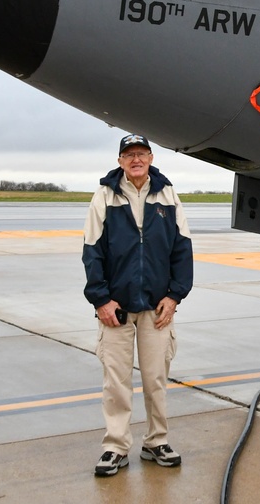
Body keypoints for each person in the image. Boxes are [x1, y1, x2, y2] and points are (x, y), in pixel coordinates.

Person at [82, 133, 194, 477]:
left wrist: (175, 296)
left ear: (151, 158)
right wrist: (101, 299)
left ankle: (156, 441)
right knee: (115, 381)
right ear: (120, 161)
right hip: (115, 309)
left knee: (155, 378)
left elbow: (182, 249)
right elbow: (92, 252)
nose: (136, 160)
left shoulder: (167, 194)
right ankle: (115, 446)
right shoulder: (104, 196)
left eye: (141, 154)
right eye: (129, 154)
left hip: (156, 309)